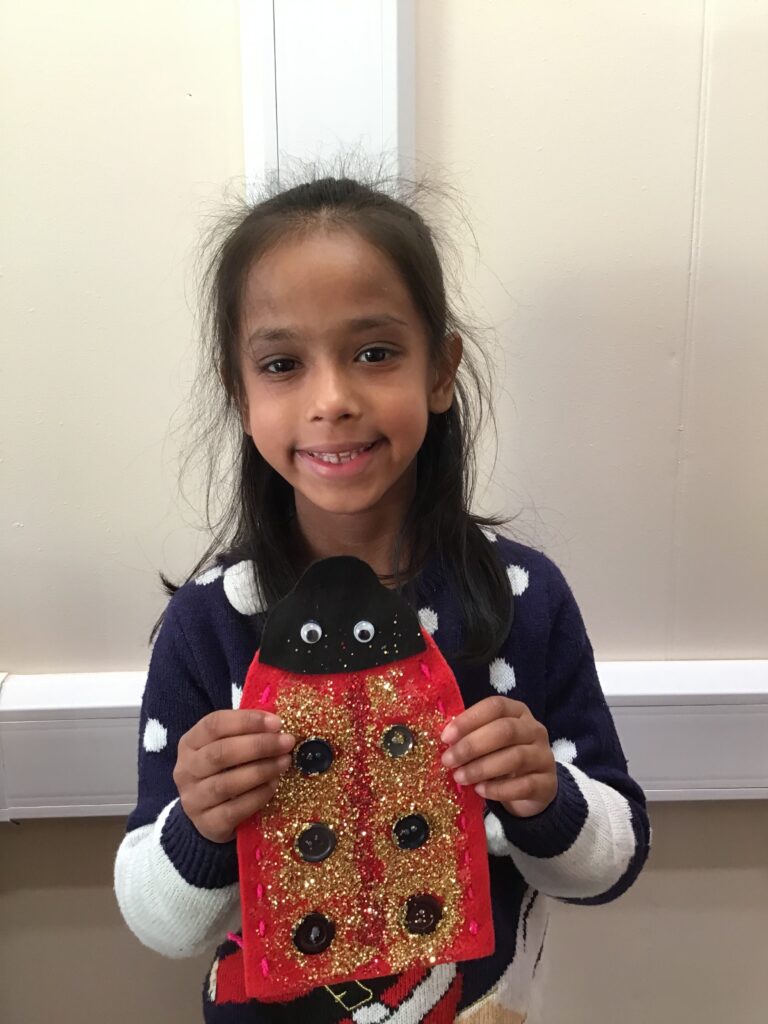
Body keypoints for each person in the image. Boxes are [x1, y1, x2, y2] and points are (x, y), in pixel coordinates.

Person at [114, 172, 651, 1023]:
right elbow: (161, 923)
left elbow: (611, 864)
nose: (332, 400)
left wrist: (547, 797)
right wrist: (201, 825)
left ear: (440, 371)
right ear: (239, 393)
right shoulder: (210, 623)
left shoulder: (524, 599)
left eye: (374, 353)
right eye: (282, 365)